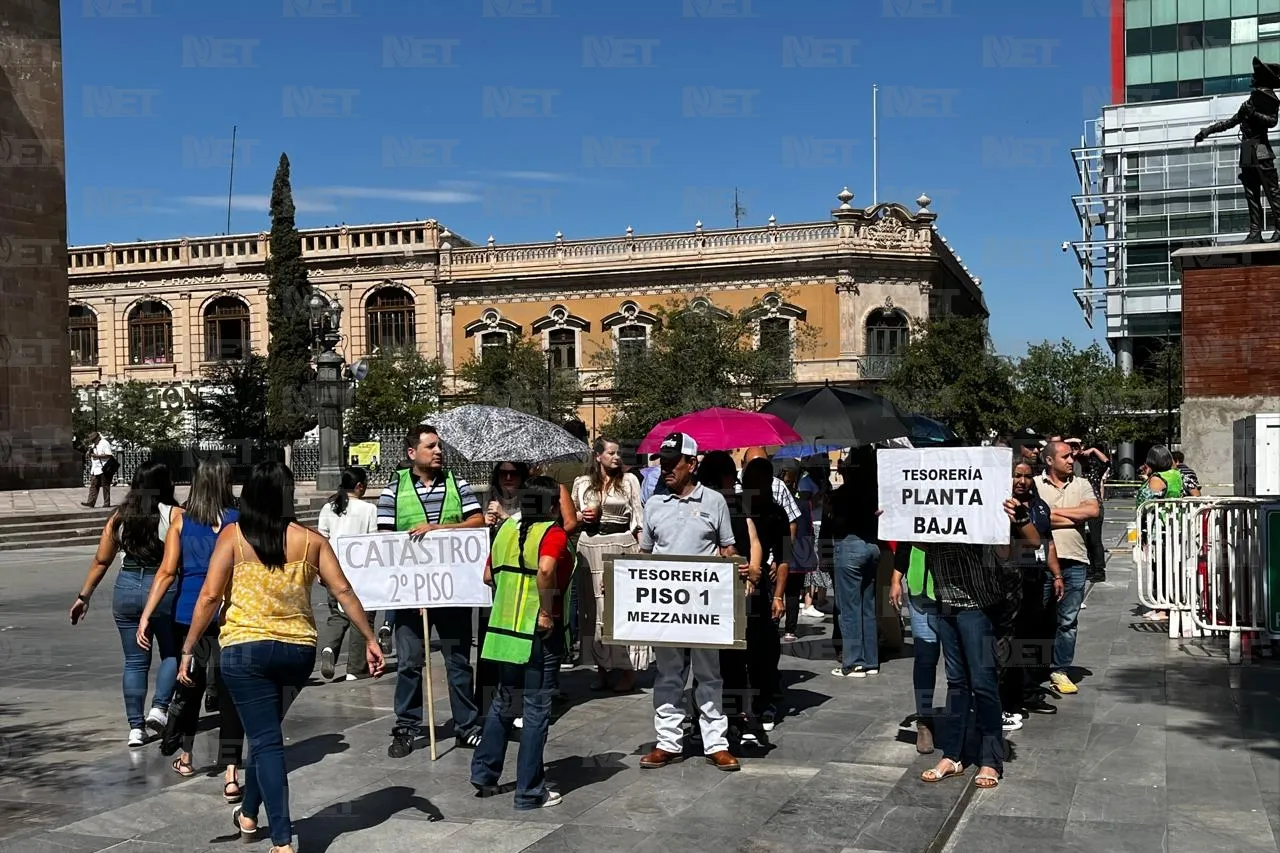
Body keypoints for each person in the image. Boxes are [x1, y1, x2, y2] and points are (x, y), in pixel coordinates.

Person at [179, 461, 385, 853]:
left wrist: (189, 647)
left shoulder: (233, 538)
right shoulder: (310, 541)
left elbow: (208, 597)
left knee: (267, 742)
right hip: (297, 653)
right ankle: (249, 814)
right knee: (265, 736)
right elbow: (343, 591)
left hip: (244, 652)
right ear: (286, 496)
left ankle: (282, 841)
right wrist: (370, 636)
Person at [135, 456, 245, 799]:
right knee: (229, 694)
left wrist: (147, 613)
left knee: (190, 687)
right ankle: (230, 773)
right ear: (225, 483)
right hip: (228, 615)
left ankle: (185, 756)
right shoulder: (236, 522)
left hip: (188, 615)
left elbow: (167, 573)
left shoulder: (182, 523)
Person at [377, 425, 486, 757]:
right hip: (410, 596)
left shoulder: (458, 483)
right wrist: (413, 592)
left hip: (453, 592)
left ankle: (467, 726)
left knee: (458, 662)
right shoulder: (392, 491)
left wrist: (439, 528)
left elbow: (477, 522)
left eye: (439, 446)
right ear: (412, 453)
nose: (438, 451)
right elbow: (385, 542)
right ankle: (407, 728)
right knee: (409, 663)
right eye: (431, 446)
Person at [918, 493, 1037, 791]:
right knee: (956, 682)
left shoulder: (985, 505)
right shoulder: (931, 508)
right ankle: (953, 756)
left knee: (983, 683)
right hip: (945, 603)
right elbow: (921, 544)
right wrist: (899, 522)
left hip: (979, 606)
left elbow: (1018, 549)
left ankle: (991, 759)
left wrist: (1013, 518)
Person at [638, 432, 740, 772]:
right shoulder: (653, 504)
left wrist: (740, 566)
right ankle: (668, 741)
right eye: (662, 462)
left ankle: (715, 744)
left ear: (691, 464)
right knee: (668, 673)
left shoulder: (714, 502)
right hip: (667, 608)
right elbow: (645, 556)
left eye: (672, 463)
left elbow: (727, 548)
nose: (665, 469)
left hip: (705, 608)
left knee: (709, 674)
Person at [471, 477, 575, 810]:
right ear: (551, 506)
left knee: (504, 700)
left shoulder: (505, 532)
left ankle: (485, 773)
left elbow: (489, 577)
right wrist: (545, 611)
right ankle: (530, 792)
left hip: (504, 630)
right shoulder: (552, 533)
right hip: (537, 632)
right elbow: (546, 569)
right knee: (535, 711)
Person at [70, 460, 180, 746]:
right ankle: (159, 708)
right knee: (171, 652)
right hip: (163, 587)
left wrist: (84, 596)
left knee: (134, 661)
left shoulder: (120, 517)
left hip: (127, 586)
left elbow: (102, 560)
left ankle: (135, 728)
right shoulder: (176, 514)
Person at [573, 437, 647, 692]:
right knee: (593, 612)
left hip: (620, 546)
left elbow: (638, 516)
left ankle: (627, 670)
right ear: (598, 456)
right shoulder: (582, 483)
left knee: (617, 609)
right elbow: (570, 516)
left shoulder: (629, 481)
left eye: (618, 453)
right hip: (590, 545)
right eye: (611, 453)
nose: (616, 457)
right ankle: (602, 669)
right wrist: (582, 516)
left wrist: (642, 551)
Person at [995, 461, 1061, 733]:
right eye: (1016, 476)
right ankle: (1008, 700)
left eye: (1026, 476)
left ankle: (1031, 693)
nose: (1022, 481)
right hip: (1007, 580)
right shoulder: (1000, 504)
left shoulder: (1040, 505)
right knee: (1009, 640)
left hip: (1035, 578)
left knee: (1034, 637)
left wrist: (1056, 574)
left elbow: (1046, 541)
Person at [1036, 439, 1100, 697]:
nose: (1071, 460)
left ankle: (1059, 669)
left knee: (1068, 620)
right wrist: (1073, 517)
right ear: (1050, 460)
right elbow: (1036, 516)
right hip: (1041, 562)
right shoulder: (1036, 485)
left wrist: (1053, 514)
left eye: (1072, 456)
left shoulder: (1082, 484)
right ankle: (1035, 667)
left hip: (1075, 561)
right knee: (1038, 616)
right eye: (1065, 457)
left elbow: (1093, 511)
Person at [737, 456, 789, 734]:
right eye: (750, 479)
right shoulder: (733, 507)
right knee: (737, 650)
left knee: (764, 648)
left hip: (762, 590)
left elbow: (783, 558)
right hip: (732, 586)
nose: (754, 485)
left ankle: (764, 701)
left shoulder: (776, 514)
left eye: (761, 480)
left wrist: (779, 595)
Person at [317, 467, 380, 681]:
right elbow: (373, 540)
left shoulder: (328, 507)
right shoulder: (369, 509)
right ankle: (355, 668)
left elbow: (321, 540)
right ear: (360, 486)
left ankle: (329, 649)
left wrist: (319, 569)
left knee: (337, 614)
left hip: (331, 568)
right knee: (361, 616)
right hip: (360, 571)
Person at [824, 448, 882, 678]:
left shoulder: (844, 493)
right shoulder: (876, 489)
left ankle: (854, 662)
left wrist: (830, 507)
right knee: (868, 606)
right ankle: (871, 660)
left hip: (850, 546)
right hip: (872, 546)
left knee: (848, 608)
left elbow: (839, 522)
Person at [889, 544, 940, 753]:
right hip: (921, 589)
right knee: (925, 659)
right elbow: (905, 539)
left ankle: (961, 718)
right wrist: (896, 578)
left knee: (960, 663)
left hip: (959, 589)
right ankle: (924, 720)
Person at [774, 458, 817, 641]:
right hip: (799, 554)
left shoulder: (776, 503)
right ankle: (791, 629)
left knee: (777, 591)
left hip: (780, 553)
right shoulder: (804, 504)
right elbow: (809, 530)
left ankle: (774, 623)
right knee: (793, 593)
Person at [1072, 439, 1111, 583]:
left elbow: (1108, 463)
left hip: (1094, 507)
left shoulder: (1093, 469)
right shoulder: (1070, 466)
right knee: (1084, 540)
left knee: (1095, 540)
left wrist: (1093, 449)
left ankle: (1099, 570)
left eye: (1078, 447)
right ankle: (1089, 568)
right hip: (1078, 507)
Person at [82, 431, 117, 508]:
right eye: (92, 440)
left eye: (94, 439)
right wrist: (89, 454)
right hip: (95, 468)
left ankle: (106, 503)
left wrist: (97, 456)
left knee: (105, 486)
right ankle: (91, 502)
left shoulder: (104, 443)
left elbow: (108, 455)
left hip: (104, 468)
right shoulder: (94, 445)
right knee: (94, 485)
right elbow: (91, 455)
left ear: (98, 437)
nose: (93, 441)